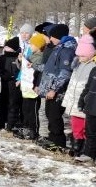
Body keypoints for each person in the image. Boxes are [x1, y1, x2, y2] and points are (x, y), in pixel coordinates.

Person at [37, 23, 77, 152]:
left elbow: (64, 73)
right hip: (50, 88)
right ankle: (53, 138)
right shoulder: (58, 48)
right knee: (49, 113)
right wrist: (33, 65)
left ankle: (59, 142)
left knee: (54, 115)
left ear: (58, 36)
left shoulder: (67, 50)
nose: (51, 39)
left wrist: (54, 89)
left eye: (52, 36)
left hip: (58, 91)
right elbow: (50, 68)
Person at [64, 34, 96, 160]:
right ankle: (76, 144)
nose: (80, 57)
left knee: (85, 126)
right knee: (75, 124)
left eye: (83, 55)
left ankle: (84, 147)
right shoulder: (78, 65)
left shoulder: (93, 66)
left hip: (83, 100)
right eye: (79, 55)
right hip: (74, 98)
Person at [15, 31, 46, 140]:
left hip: (33, 87)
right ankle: (26, 128)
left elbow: (37, 71)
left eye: (33, 44)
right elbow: (24, 68)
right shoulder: (31, 54)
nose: (31, 46)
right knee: (25, 109)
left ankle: (34, 130)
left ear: (38, 46)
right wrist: (20, 60)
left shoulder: (41, 56)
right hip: (27, 87)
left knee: (33, 110)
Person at [0, 37, 22, 131]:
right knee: (1, 103)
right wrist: (3, 75)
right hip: (3, 84)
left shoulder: (18, 58)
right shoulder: (1, 58)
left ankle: (11, 124)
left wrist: (13, 76)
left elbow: (20, 71)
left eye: (8, 48)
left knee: (13, 104)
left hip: (14, 85)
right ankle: (0, 122)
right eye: (5, 47)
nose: (5, 49)